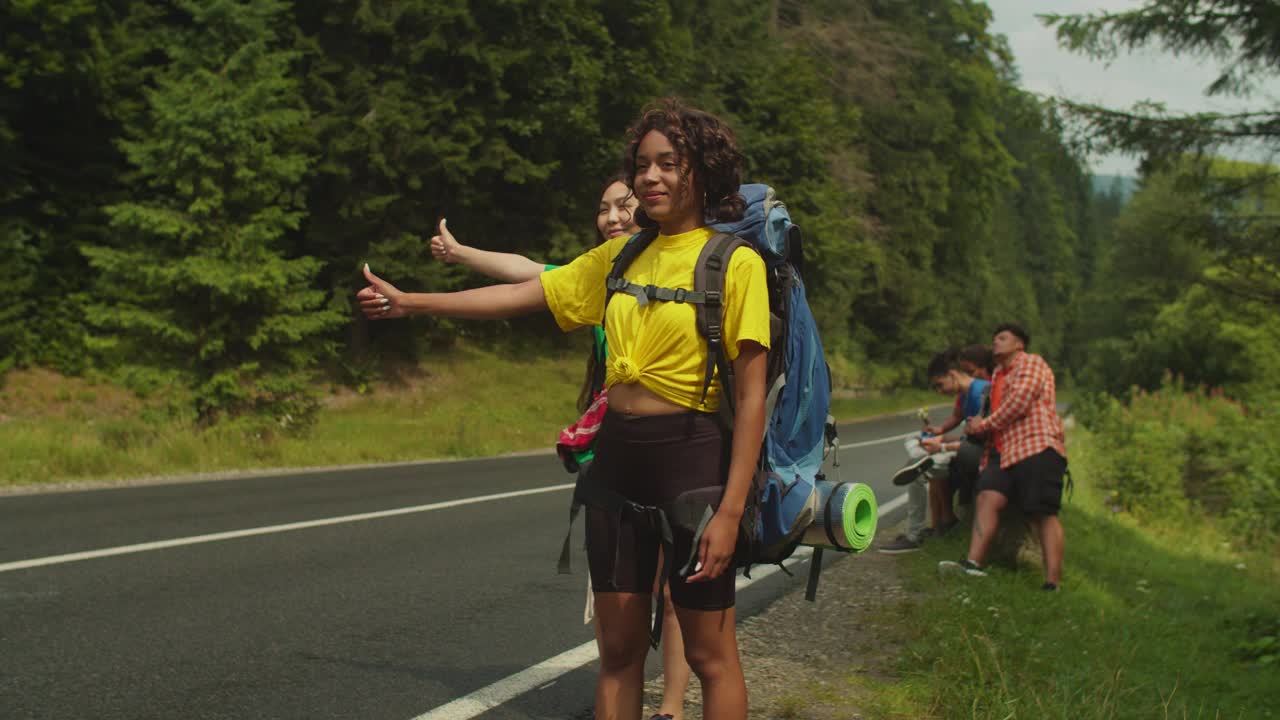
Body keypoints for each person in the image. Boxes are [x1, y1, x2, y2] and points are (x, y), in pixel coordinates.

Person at [357, 99, 767, 720]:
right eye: (642, 165)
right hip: (616, 467)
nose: (649, 177)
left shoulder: (735, 263)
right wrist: (415, 302)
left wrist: (732, 512)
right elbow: (522, 292)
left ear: (702, 170)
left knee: (712, 658)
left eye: (668, 164)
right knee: (619, 654)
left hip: (694, 465)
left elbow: (754, 396)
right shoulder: (619, 258)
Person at [427, 175, 694, 720]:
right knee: (623, 605)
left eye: (625, 206)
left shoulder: (680, 270)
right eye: (603, 209)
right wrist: (461, 252)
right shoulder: (603, 275)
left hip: (677, 453)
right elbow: (527, 272)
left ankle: (669, 709)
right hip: (613, 460)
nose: (613, 217)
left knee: (673, 594)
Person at [939, 324, 1068, 591]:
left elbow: (1018, 404)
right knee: (987, 497)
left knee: (1043, 512)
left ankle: (1052, 582)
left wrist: (982, 424)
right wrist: (975, 427)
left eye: (1002, 338)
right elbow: (995, 413)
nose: (995, 342)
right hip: (1002, 452)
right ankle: (973, 565)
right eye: (994, 337)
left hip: (1036, 446)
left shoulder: (1031, 363)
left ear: (1019, 344)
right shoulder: (997, 374)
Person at [880, 350, 989, 553]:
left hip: (982, 455)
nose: (940, 391)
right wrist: (940, 438)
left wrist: (942, 445)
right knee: (916, 447)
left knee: (918, 469)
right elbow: (969, 435)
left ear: (953, 374)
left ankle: (914, 535)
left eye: (940, 384)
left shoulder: (981, 392)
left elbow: (983, 439)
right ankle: (928, 525)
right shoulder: (966, 395)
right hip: (967, 448)